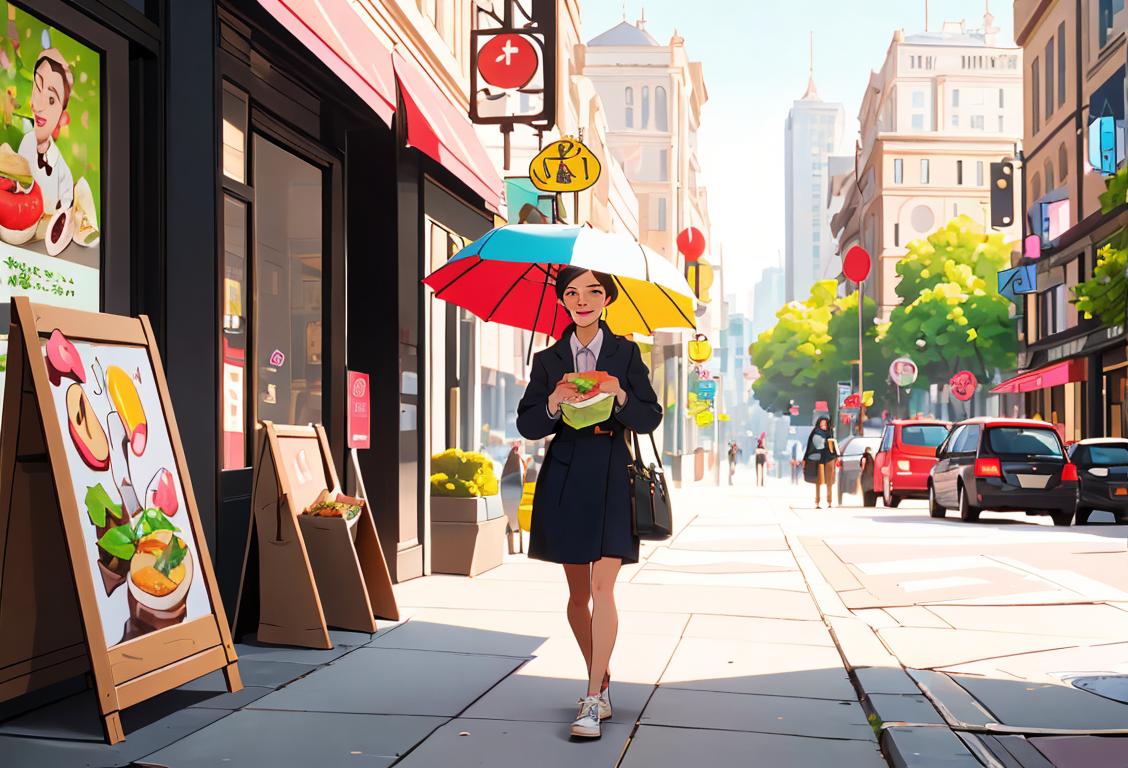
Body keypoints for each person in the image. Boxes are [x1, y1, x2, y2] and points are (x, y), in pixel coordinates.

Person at [516, 265, 662, 740]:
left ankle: (592, 700)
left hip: (613, 473)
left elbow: (650, 416)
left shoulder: (626, 353)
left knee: (604, 589)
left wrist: (620, 394)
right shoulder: (548, 359)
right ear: (563, 301)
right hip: (565, 474)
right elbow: (528, 425)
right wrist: (554, 402)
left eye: (593, 292)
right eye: (573, 293)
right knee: (578, 597)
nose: (583, 300)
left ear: (607, 299)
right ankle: (601, 676)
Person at [19, 49, 74, 226]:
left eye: (51, 99)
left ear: (62, 117)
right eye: (38, 88)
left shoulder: (63, 171)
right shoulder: (26, 142)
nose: (40, 105)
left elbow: (66, 212)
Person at [803, 417, 838, 508]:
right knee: (817, 480)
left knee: (829, 481)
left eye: (825, 424)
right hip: (818, 459)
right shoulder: (815, 432)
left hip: (829, 458)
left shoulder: (830, 432)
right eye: (821, 424)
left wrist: (835, 454)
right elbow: (810, 446)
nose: (823, 426)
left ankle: (829, 501)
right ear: (819, 424)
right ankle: (817, 501)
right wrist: (805, 458)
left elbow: (834, 446)